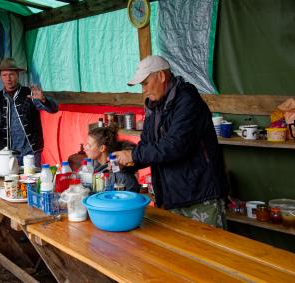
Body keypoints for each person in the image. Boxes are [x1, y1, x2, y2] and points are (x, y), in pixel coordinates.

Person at [113, 55, 229, 228]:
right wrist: (129, 164)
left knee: (208, 252)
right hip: (170, 197)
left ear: (161, 76)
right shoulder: (154, 107)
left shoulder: (188, 101)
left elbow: (175, 145)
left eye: (145, 83)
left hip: (199, 195)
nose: (143, 90)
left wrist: (132, 155)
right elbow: (147, 146)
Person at [0, 58, 58, 167]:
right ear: (0, 77)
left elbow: (53, 109)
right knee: (10, 183)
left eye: (11, 74)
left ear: (17, 75)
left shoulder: (30, 94)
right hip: (7, 154)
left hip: (30, 151)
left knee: (31, 181)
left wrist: (44, 100)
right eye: (4, 75)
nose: (8, 79)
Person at [85, 126, 140, 192]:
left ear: (102, 148)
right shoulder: (93, 166)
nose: (86, 148)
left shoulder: (122, 177)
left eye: (89, 145)